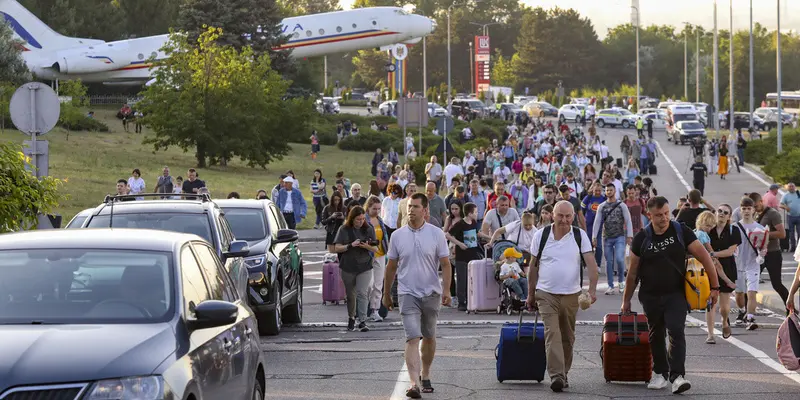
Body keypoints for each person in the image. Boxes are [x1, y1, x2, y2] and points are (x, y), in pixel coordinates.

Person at [622, 196, 719, 394]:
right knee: (656, 334)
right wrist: (626, 301)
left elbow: (705, 257)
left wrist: (715, 287)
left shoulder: (680, 230)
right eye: (659, 215)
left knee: (676, 330)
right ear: (649, 215)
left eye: (666, 213)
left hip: (675, 293)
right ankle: (659, 373)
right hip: (650, 295)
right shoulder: (642, 238)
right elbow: (632, 273)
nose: (664, 218)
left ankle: (677, 376)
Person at [383, 193, 452, 398]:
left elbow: (446, 264)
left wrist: (447, 290)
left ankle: (426, 373)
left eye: (415, 207)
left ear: (425, 210)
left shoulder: (436, 233)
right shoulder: (397, 235)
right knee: (412, 337)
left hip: (431, 293)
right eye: (409, 206)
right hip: (407, 293)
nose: (411, 210)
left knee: (428, 336)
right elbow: (391, 267)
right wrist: (387, 293)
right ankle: (414, 384)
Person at [527, 201, 599, 392]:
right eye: (560, 215)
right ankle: (556, 376)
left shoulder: (579, 235)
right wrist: (530, 294)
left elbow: (591, 264)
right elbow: (533, 267)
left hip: (571, 294)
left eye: (568, 216)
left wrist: (592, 290)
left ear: (573, 216)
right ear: (552, 215)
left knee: (567, 336)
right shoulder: (541, 235)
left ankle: (563, 373)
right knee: (553, 333)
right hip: (545, 293)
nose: (564, 220)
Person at [694, 211, 737, 344]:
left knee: (715, 305)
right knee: (711, 303)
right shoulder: (703, 235)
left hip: (698, 268)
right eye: (708, 226)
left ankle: (717, 328)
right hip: (706, 266)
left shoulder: (694, 233)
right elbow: (710, 251)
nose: (709, 228)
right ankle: (711, 333)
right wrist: (712, 257)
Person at [334, 206, 378, 332]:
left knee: (362, 293)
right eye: (358, 219)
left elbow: (376, 249)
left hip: (364, 265)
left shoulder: (368, 228)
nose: (361, 222)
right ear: (352, 219)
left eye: (363, 219)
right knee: (350, 294)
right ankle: (351, 317)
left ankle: (363, 321)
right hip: (348, 266)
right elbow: (336, 247)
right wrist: (350, 245)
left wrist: (366, 246)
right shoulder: (344, 229)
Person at [592, 183, 634, 295]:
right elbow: (597, 222)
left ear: (615, 191)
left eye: (611, 190)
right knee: (608, 261)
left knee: (620, 259)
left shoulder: (621, 205)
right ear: (605, 192)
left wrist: (630, 235)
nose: (609, 192)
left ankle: (621, 283)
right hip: (606, 237)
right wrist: (594, 236)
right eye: (607, 190)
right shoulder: (601, 206)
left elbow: (628, 220)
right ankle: (610, 286)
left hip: (619, 236)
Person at [733, 197, 768, 330]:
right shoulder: (734, 227)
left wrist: (762, 253)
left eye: (749, 208)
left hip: (753, 264)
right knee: (739, 293)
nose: (746, 211)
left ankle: (750, 317)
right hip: (737, 265)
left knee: (752, 292)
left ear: (753, 210)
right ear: (740, 210)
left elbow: (763, 246)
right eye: (744, 209)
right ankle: (742, 310)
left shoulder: (760, 228)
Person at [445, 203, 485, 311]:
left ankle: (470, 299)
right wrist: (459, 244)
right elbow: (448, 234)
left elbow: (477, 233)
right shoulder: (460, 224)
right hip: (462, 256)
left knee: (471, 279)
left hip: (472, 255)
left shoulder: (473, 222)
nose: (477, 214)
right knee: (461, 279)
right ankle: (461, 302)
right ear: (470, 213)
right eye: (475, 212)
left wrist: (491, 237)